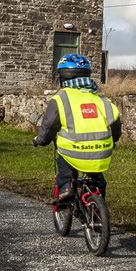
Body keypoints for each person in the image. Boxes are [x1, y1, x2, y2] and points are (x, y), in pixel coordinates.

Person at [32, 53, 121, 203]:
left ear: (62, 76)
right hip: (102, 153)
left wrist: (40, 140)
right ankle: (97, 205)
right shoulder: (102, 100)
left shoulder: (61, 98)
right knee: (96, 179)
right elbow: (116, 127)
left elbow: (49, 126)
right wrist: (113, 141)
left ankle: (67, 186)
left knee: (64, 160)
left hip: (73, 152)